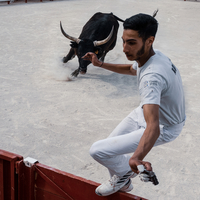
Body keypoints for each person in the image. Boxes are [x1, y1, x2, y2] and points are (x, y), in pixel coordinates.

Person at [82, 12, 185, 197]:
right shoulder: (154, 56)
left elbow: (153, 126)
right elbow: (131, 69)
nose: (123, 48)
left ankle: (123, 175)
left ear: (149, 41)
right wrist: (100, 64)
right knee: (109, 150)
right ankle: (123, 178)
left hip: (165, 125)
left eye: (131, 43)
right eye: (123, 41)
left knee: (98, 151)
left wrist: (137, 157)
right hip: (147, 111)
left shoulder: (151, 78)